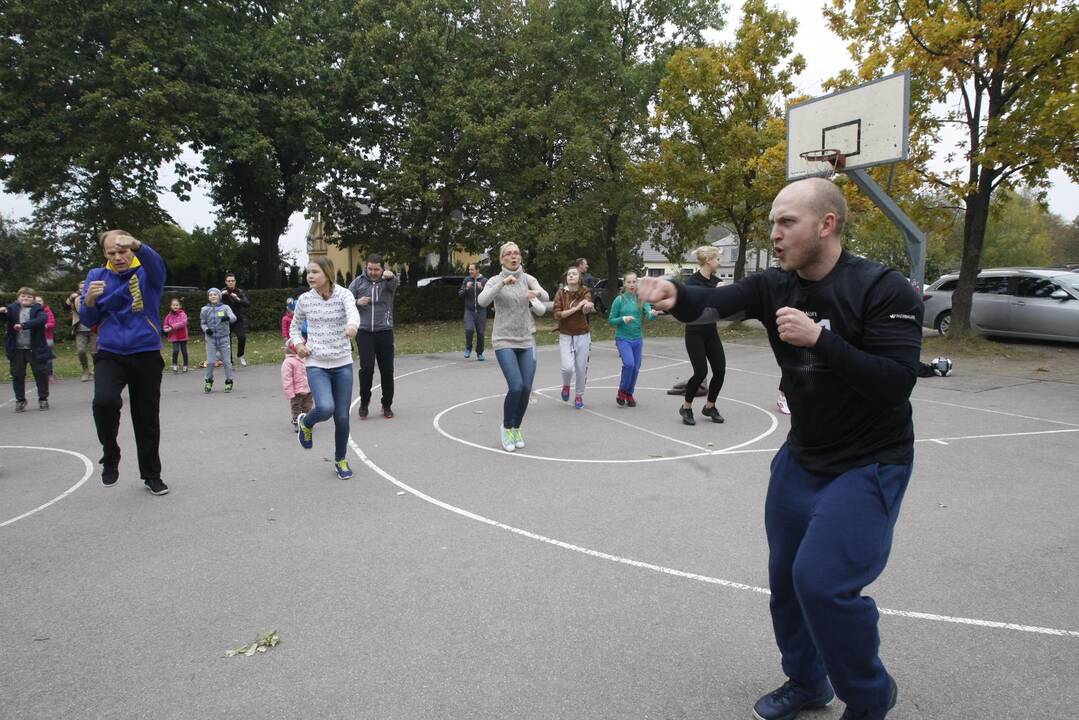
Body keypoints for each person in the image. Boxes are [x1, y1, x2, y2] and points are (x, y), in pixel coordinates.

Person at [637, 178, 923, 720]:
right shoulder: (775, 285)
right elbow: (716, 302)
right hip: (803, 456)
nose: (775, 234)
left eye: (786, 222)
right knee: (787, 582)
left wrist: (822, 340)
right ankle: (807, 682)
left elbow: (895, 382)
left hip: (870, 460)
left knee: (823, 584)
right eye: (773, 222)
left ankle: (868, 698)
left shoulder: (882, 288)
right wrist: (677, 295)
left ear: (827, 224)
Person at [80, 230, 169, 495]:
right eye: (112, 253)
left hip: (146, 352)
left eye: (123, 251)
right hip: (111, 352)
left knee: (146, 418)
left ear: (131, 249)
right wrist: (88, 301)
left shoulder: (146, 272)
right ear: (105, 254)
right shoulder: (96, 276)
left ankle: (152, 475)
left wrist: (139, 245)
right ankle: (111, 453)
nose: (118, 257)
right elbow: (88, 318)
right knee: (104, 402)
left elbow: (158, 265)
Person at [290, 255, 360, 479]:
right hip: (316, 363)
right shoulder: (305, 300)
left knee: (342, 416)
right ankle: (306, 421)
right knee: (326, 408)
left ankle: (341, 459)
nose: (310, 276)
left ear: (327, 274)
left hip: (342, 363)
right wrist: (299, 344)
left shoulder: (344, 295)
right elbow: (294, 328)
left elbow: (353, 313)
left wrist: (352, 326)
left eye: (315, 272)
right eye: (308, 272)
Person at [478, 241, 549, 452]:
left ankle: (517, 427)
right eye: (508, 254)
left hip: (526, 339)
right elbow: (482, 301)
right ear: (502, 259)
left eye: (516, 253)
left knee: (526, 389)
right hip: (503, 340)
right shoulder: (495, 280)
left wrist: (534, 294)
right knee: (516, 386)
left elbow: (545, 297)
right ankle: (506, 427)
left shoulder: (527, 279)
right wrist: (502, 284)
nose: (513, 256)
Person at [678, 246, 727, 426]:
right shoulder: (692, 282)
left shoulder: (717, 281)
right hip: (694, 332)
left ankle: (709, 406)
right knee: (701, 372)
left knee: (720, 370)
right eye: (718, 260)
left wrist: (725, 294)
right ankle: (686, 407)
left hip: (711, 331)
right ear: (708, 261)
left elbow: (721, 307)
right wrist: (717, 292)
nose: (719, 263)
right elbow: (696, 305)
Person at [348, 254, 398, 419]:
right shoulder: (358, 282)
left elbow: (394, 285)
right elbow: (346, 301)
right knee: (367, 369)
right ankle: (364, 402)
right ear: (366, 267)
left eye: (376, 269)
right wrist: (357, 301)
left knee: (387, 370)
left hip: (384, 331)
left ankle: (386, 404)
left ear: (382, 268)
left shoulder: (388, 281)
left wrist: (391, 276)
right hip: (364, 332)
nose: (373, 272)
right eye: (370, 268)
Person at [608, 272, 659, 408]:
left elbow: (648, 314)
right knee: (629, 364)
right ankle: (622, 390)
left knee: (636, 368)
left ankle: (629, 393)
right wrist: (623, 319)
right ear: (624, 284)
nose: (632, 284)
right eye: (629, 282)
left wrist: (652, 314)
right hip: (623, 338)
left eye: (634, 282)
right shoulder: (619, 300)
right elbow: (611, 320)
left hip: (637, 339)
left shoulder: (641, 299)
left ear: (637, 284)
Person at [2, 287, 50, 412]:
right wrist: (2, 312)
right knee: (17, 375)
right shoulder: (12, 309)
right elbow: (4, 318)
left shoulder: (38, 309)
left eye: (29, 297)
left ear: (33, 300)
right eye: (23, 296)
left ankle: (43, 398)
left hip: (35, 349)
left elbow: (42, 320)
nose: (26, 298)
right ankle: (20, 400)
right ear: (18, 298)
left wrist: (23, 325)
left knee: (41, 374)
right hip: (17, 349)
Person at [553, 265, 594, 409]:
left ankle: (578, 395)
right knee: (567, 368)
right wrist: (576, 309)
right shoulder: (560, 293)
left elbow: (587, 304)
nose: (571, 276)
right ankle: (566, 385)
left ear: (579, 278)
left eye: (574, 274)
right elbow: (558, 314)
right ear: (566, 277)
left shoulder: (585, 291)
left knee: (581, 368)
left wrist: (587, 306)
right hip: (565, 334)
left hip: (582, 334)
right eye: (569, 274)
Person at [200, 288, 236, 393]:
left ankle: (229, 381)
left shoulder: (225, 308)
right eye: (210, 295)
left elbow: (233, 317)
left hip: (224, 338)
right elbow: (203, 323)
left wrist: (228, 318)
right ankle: (209, 380)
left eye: (215, 294)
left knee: (227, 362)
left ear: (219, 296)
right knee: (210, 362)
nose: (213, 296)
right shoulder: (204, 310)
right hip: (211, 340)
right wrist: (206, 330)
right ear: (208, 297)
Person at [65, 281, 97, 382]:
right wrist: (71, 298)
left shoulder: (94, 297)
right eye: (80, 288)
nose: (83, 290)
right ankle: (85, 370)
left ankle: (97, 370)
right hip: (80, 330)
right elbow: (66, 306)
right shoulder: (75, 299)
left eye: (85, 287)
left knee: (95, 352)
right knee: (81, 351)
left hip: (94, 329)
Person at [280, 340, 313, 430]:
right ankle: (297, 422)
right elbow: (287, 379)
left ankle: (306, 422)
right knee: (296, 407)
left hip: (308, 389)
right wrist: (289, 393)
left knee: (308, 406)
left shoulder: (307, 358)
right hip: (296, 391)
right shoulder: (289, 362)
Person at [220, 273, 250, 366]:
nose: (231, 283)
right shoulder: (221, 292)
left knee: (242, 337)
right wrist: (220, 296)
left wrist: (237, 299)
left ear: (235, 281)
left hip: (237, 319)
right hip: (226, 320)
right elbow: (216, 306)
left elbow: (247, 303)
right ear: (226, 282)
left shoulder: (239, 291)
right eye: (229, 281)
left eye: (232, 281)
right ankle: (229, 361)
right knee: (227, 341)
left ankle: (240, 355)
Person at [459, 263, 487, 360]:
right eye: (469, 270)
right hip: (469, 311)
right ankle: (468, 347)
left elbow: (489, 296)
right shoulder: (467, 280)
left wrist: (482, 289)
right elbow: (460, 294)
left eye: (472, 269)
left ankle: (480, 353)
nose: (470, 271)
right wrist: (467, 288)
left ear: (477, 270)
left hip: (481, 311)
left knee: (481, 333)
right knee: (469, 329)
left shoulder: (484, 281)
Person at [162, 297, 189, 374]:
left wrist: (172, 327)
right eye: (173, 305)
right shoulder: (169, 315)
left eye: (177, 305)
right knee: (175, 350)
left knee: (184, 351)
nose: (175, 306)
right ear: (171, 306)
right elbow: (165, 324)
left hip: (183, 336)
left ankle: (185, 365)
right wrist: (166, 328)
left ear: (180, 306)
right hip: (174, 336)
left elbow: (183, 323)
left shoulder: (183, 314)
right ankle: (174, 365)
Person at [36, 296, 57, 382]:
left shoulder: (47, 311)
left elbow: (52, 323)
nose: (38, 302)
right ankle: (41, 375)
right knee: (38, 358)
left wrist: (46, 325)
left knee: (48, 358)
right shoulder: (32, 312)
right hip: (36, 339)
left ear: (43, 302)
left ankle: (50, 374)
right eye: (36, 301)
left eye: (40, 301)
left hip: (47, 338)